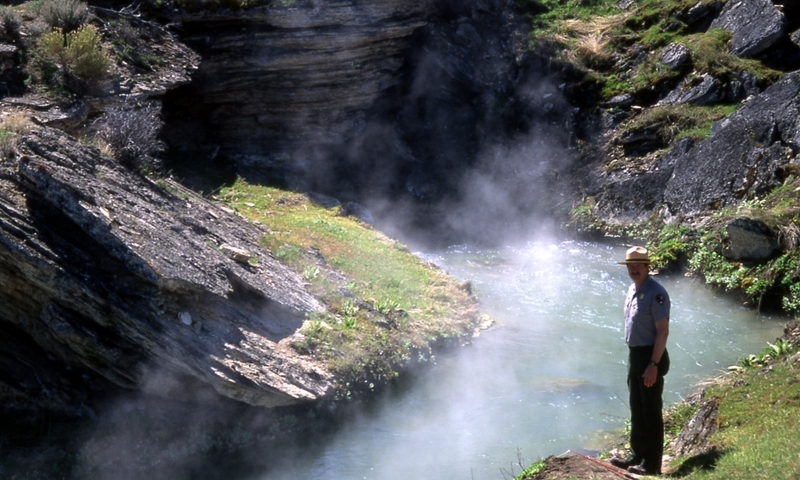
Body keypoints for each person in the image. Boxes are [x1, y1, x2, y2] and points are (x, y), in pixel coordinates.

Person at [610, 246, 670, 476]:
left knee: (651, 410)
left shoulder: (656, 293)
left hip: (650, 356)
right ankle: (636, 455)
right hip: (635, 355)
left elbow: (662, 332)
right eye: (630, 265)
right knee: (637, 406)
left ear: (647, 266)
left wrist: (653, 365)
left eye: (638, 265)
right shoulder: (633, 289)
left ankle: (652, 464)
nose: (634, 269)